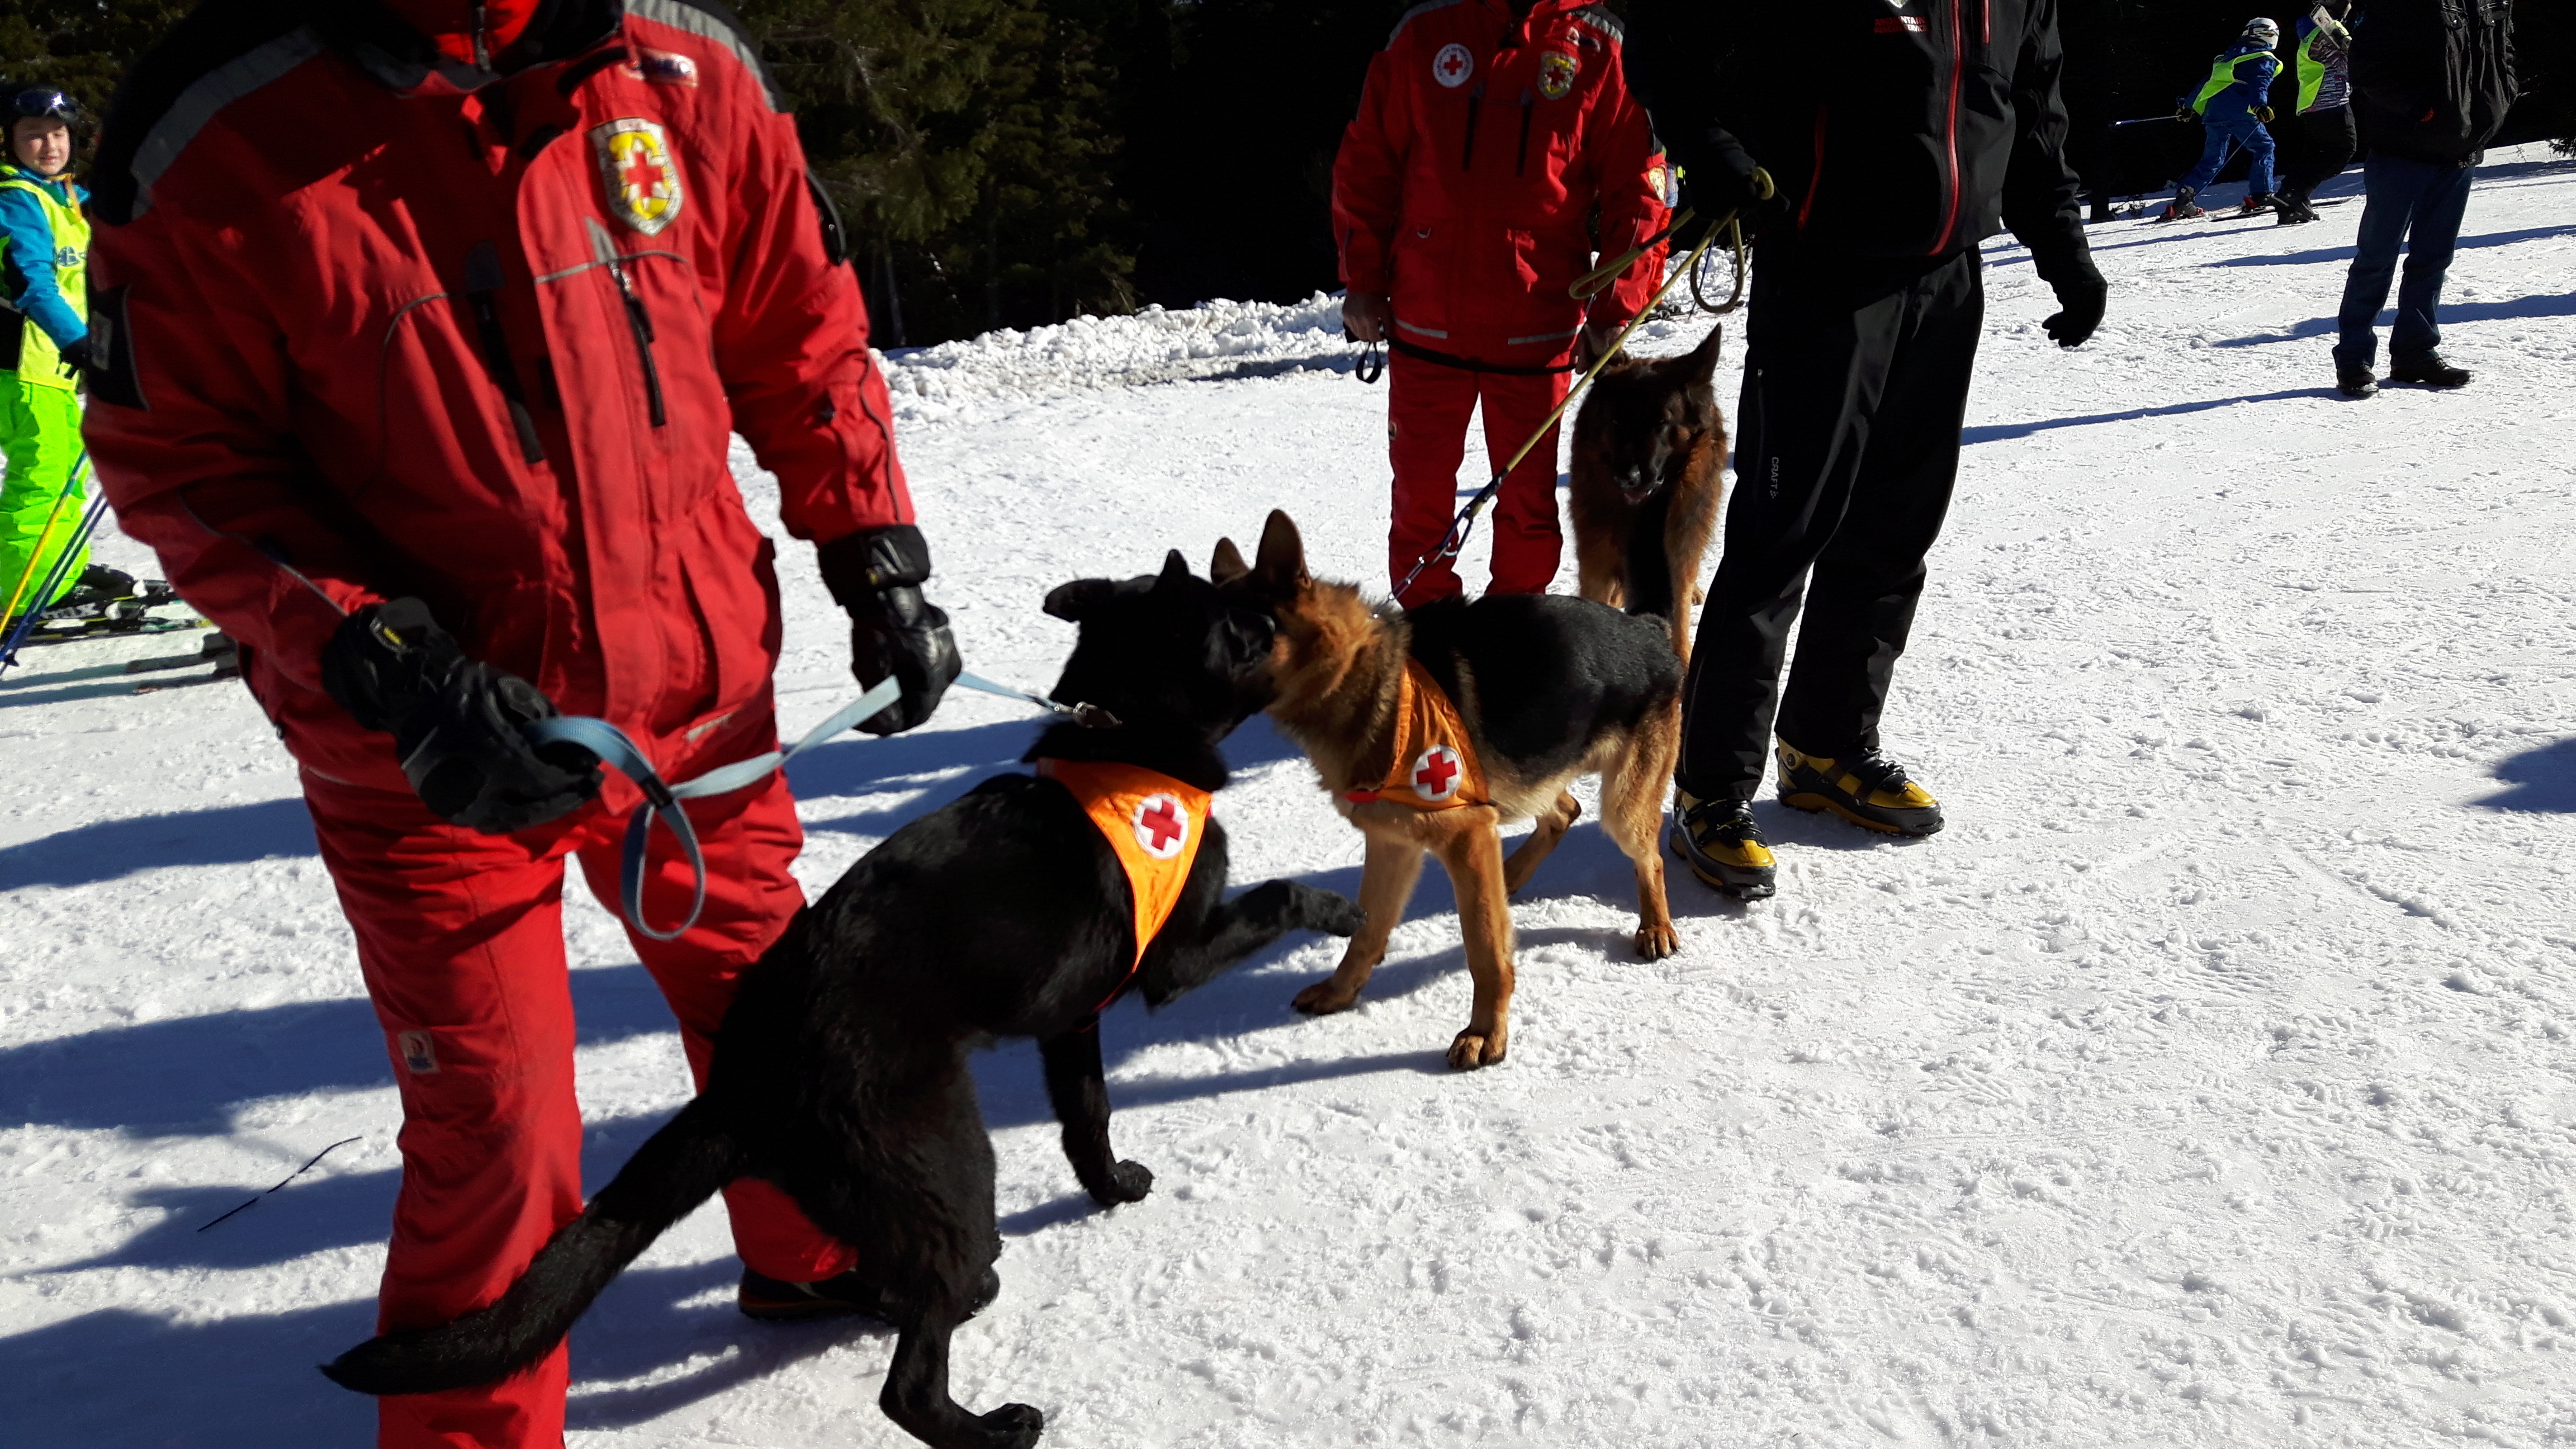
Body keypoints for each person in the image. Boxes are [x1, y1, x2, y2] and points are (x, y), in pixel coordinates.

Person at [82, 3, 959, 1446]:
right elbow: (181, 457)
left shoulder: (679, 67)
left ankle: (814, 1251)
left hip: (698, 704)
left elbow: (797, 323)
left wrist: (872, 541)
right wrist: (379, 652)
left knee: (785, 1017)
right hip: (432, 756)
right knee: (499, 1128)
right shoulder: (218, 129)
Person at [1642, 0, 2106, 902]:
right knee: (1783, 532)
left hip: (1946, 275)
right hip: (1823, 269)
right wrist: (1719, 157)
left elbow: (2031, 104)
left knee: (1896, 526)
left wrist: (2061, 242)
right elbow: (1670, 43)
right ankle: (1709, 790)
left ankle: (1826, 746)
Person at [1333, 0, 1671, 607]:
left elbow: (1641, 188)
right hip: (1424, 321)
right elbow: (1368, 160)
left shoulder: (1601, 47)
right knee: (1420, 497)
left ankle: (1514, 639)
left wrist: (1617, 308)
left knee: (1528, 504)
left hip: (1536, 327)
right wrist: (1362, 279)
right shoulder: (1425, 32)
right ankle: (1431, 636)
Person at [2332, 0, 2518, 397]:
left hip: (2462, 148)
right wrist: (2423, 111)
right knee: (2376, 258)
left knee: (2434, 259)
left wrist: (2500, 99)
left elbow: (2504, 51)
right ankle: (2354, 360)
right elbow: (2365, 64)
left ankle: (2416, 353)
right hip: (2402, 148)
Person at [0, 83, 96, 623]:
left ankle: (59, 575)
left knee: (64, 478)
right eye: (32, 135)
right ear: (10, 142)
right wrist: (79, 342)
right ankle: (24, 597)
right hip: (23, 363)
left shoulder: (65, 197)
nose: (48, 145)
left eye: (57, 133)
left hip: (51, 368)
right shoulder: (15, 200)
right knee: (39, 480)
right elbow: (30, 281)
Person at [2160, 17, 2284, 222]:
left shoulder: (2227, 58)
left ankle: (2183, 199)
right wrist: (2260, 106)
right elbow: (2259, 82)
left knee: (2213, 159)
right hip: (2241, 112)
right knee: (2264, 148)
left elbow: (2206, 83)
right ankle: (2261, 195)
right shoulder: (2263, 57)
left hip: (2213, 114)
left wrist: (2188, 107)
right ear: (2269, 36)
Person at [2274, 2, 2355, 224]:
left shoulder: (2309, 38)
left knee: (2320, 153)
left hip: (2311, 104)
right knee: (2343, 150)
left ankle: (2292, 197)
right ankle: (2293, 192)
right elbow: (2354, 57)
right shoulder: (2331, 30)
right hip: (2331, 100)